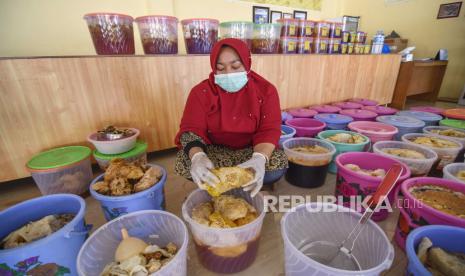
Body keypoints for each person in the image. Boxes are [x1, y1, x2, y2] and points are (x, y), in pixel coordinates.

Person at [174, 38, 287, 197]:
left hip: (251, 149)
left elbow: (269, 129)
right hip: (215, 151)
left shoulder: (265, 90)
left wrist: (259, 158)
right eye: (220, 68)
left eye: (235, 66)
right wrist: (198, 157)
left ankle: (235, 184)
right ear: (214, 68)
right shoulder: (201, 92)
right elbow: (191, 129)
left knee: (278, 163)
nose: (228, 73)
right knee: (184, 161)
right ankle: (224, 185)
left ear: (247, 63)